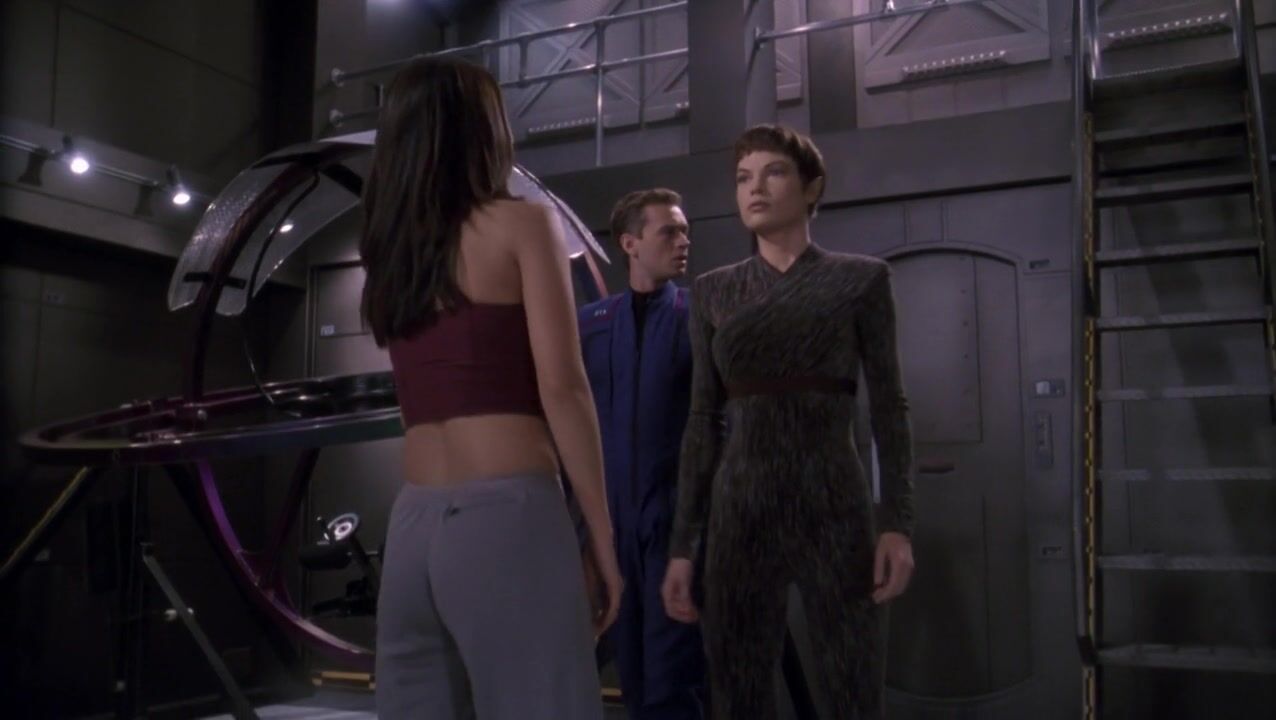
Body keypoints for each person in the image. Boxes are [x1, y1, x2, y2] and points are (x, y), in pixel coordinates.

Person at [360, 56, 622, 720]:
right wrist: (603, 538)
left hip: (412, 527)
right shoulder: (524, 224)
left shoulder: (391, 251)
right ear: (483, 129)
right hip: (506, 517)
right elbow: (564, 388)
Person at [660, 124, 916, 719]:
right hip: (739, 510)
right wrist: (683, 546)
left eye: (773, 172)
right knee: (738, 694)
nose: (754, 188)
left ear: (811, 188)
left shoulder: (860, 280)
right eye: (743, 177)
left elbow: (889, 407)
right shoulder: (713, 291)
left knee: (853, 689)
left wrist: (897, 524)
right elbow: (702, 421)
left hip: (833, 502)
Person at [578, 190, 705, 719]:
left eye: (685, 231)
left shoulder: (699, 314)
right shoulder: (591, 325)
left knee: (673, 681)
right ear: (630, 244)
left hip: (674, 523)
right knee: (629, 673)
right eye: (669, 231)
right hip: (609, 528)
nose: (683, 241)